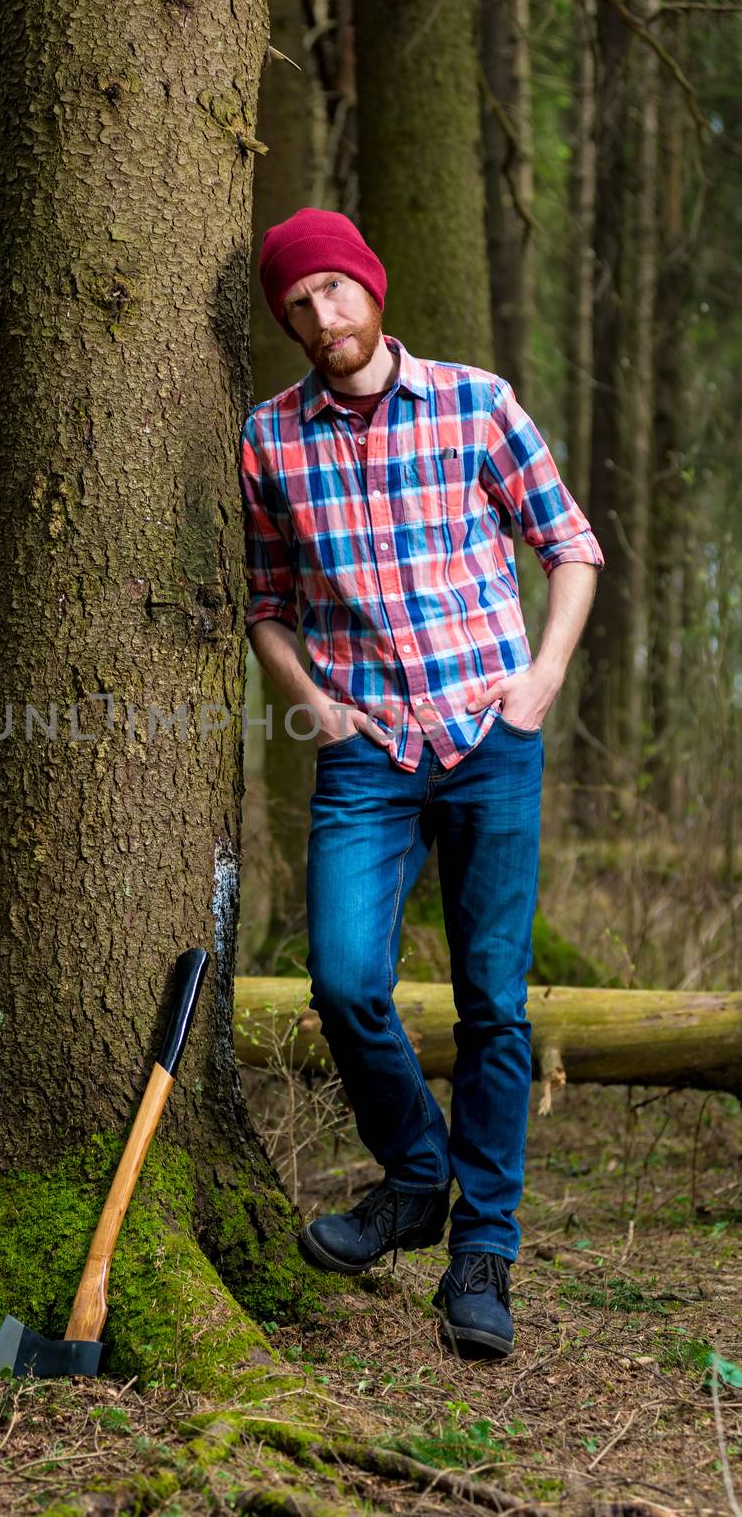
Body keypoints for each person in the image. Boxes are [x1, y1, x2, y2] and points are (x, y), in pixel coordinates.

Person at [240, 207, 604, 1359]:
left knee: (494, 1001)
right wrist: (317, 705)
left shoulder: (476, 402)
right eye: (297, 305)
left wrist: (539, 682)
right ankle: (416, 1175)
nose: (320, 317)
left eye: (334, 291)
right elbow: (265, 603)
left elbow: (572, 546)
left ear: (373, 287)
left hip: (492, 736)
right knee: (348, 980)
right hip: (367, 756)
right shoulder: (266, 439)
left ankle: (481, 1260)